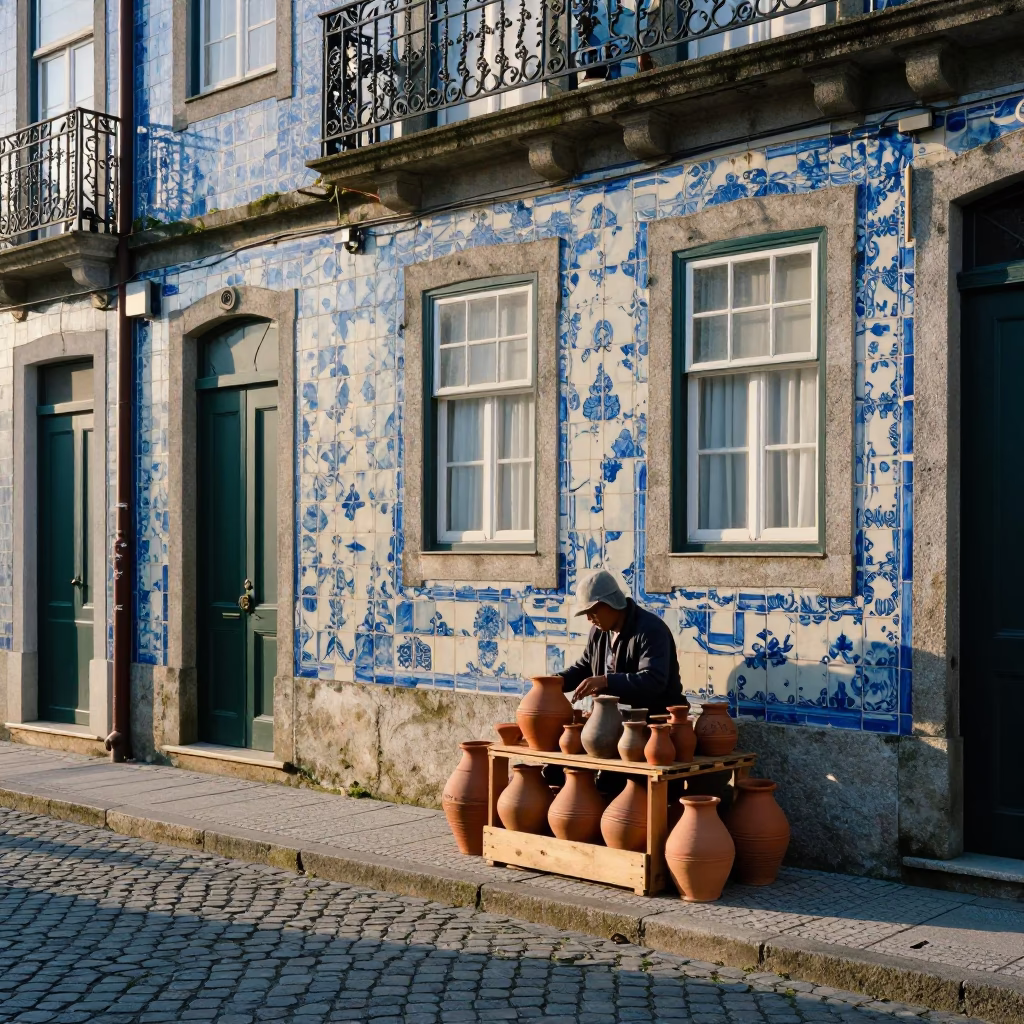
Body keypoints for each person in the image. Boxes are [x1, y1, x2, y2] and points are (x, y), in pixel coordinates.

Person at [559, 569, 683, 717]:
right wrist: (555, 683)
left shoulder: (651, 630)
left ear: (610, 604)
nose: (589, 619)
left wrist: (606, 681)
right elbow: (585, 666)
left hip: (654, 723)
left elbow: (653, 680)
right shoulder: (598, 632)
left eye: (593, 612)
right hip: (612, 722)